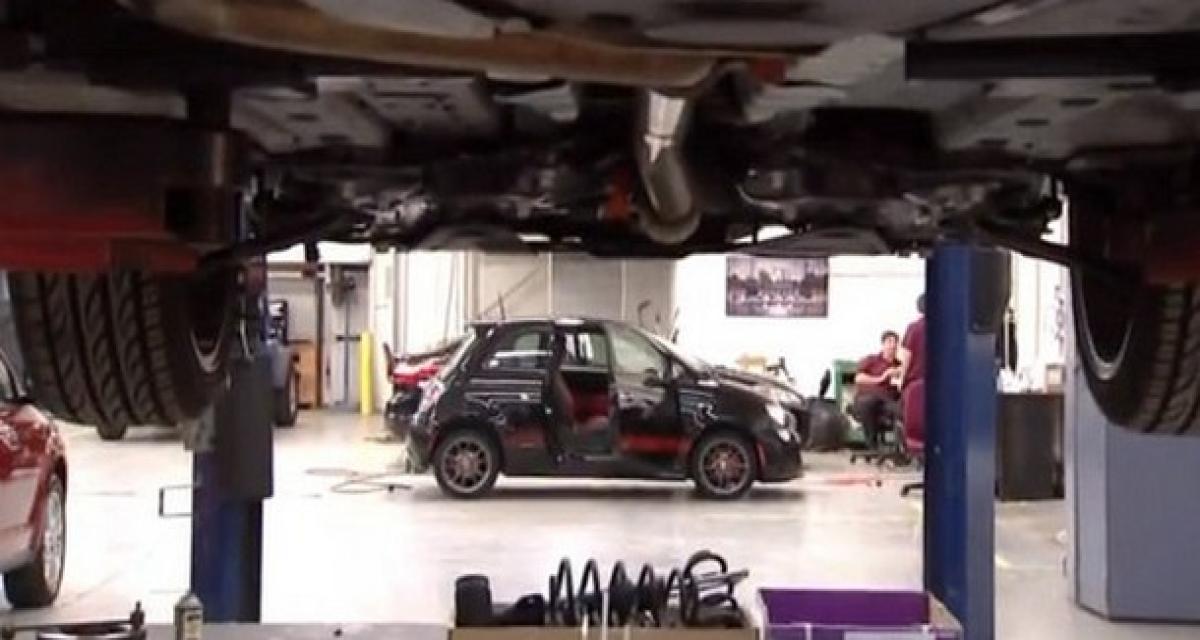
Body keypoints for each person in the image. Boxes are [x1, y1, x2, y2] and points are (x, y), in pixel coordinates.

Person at [853, 331, 901, 449]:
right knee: (868, 402)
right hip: (868, 398)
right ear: (883, 344)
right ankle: (872, 445)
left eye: (895, 342)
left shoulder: (899, 365)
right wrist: (882, 377)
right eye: (889, 342)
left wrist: (901, 377)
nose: (893, 345)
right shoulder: (872, 360)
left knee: (901, 409)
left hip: (888, 401)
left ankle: (901, 448)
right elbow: (859, 378)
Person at [899, 294, 926, 448]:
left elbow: (906, 358)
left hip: (916, 385)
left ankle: (905, 445)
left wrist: (901, 380)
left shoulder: (914, 328)